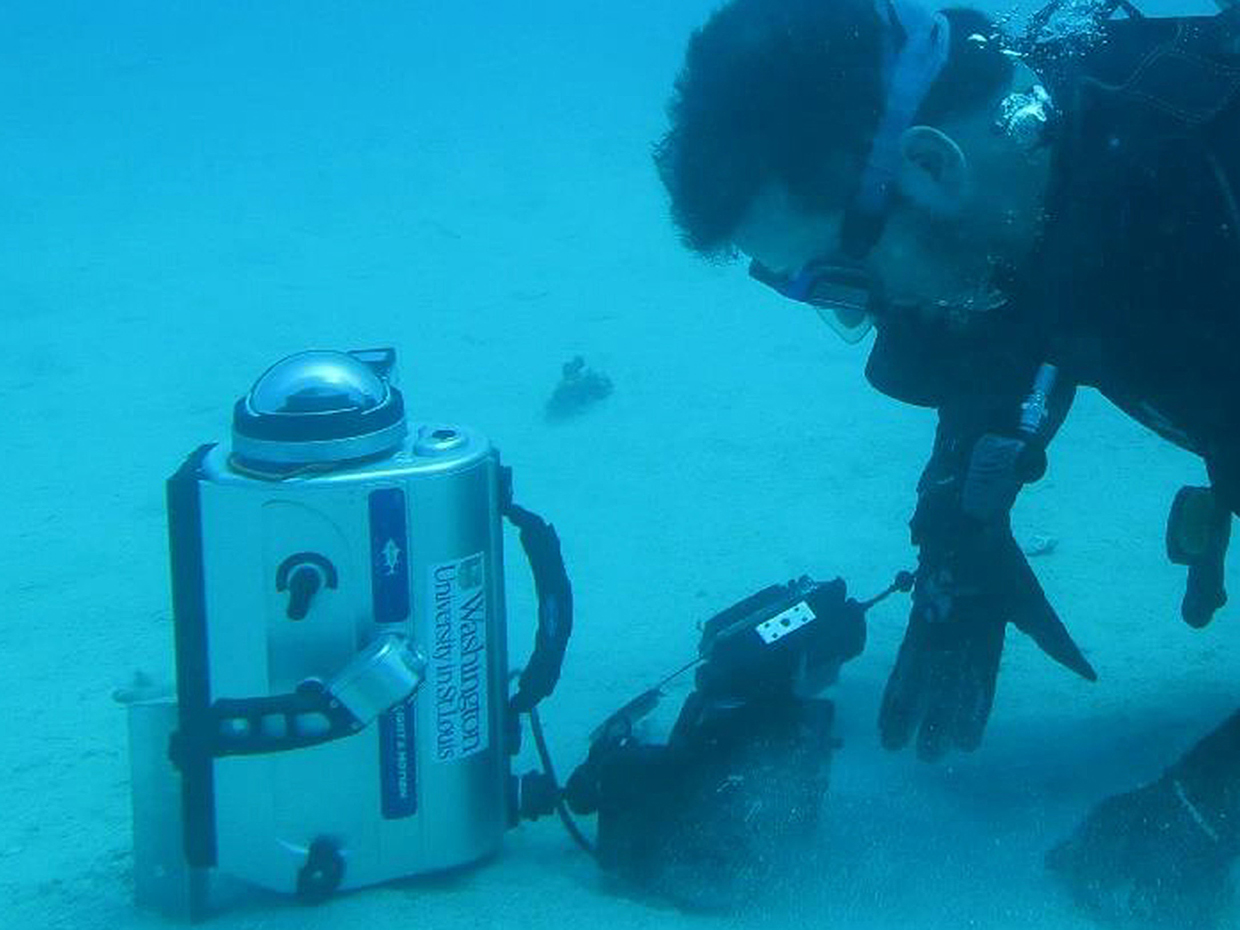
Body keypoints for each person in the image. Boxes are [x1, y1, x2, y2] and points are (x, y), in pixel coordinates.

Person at [653, 0, 1240, 923]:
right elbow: (1017, 315)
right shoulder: (1049, 162)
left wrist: (1214, 805)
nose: (865, 319)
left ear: (929, 164)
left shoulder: (1214, 182)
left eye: (843, 282)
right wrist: (959, 530)